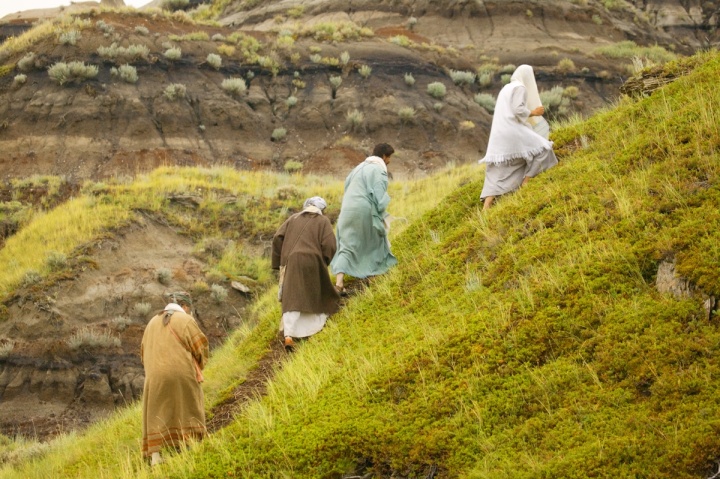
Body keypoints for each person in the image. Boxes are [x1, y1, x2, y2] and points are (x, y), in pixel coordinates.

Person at [141, 291, 209, 466]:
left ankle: (155, 457)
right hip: (181, 373)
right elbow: (200, 347)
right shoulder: (185, 320)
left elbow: (142, 352)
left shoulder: (151, 323)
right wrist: (199, 365)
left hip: (153, 376)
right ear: (185, 306)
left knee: (157, 411)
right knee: (189, 406)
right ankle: (190, 444)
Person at [479, 64, 558, 210]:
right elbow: (518, 109)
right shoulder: (520, 87)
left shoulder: (506, 88)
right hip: (513, 131)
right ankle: (526, 182)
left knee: (499, 167)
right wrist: (534, 112)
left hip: (498, 134)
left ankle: (487, 205)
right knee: (543, 148)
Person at [272, 196, 340, 352]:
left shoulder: (292, 218)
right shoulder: (323, 222)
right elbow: (330, 244)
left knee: (292, 297)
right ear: (321, 209)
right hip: (313, 260)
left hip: (292, 261)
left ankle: (289, 335)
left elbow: (277, 238)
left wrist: (280, 261)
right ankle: (311, 329)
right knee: (315, 293)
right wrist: (324, 260)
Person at [330, 143, 398, 292]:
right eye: (389, 158)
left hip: (346, 210)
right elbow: (379, 196)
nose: (389, 161)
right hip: (364, 209)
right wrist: (382, 214)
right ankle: (372, 274)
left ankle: (339, 283)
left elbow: (347, 187)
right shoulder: (379, 170)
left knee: (347, 245)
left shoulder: (357, 168)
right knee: (375, 238)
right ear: (384, 156)